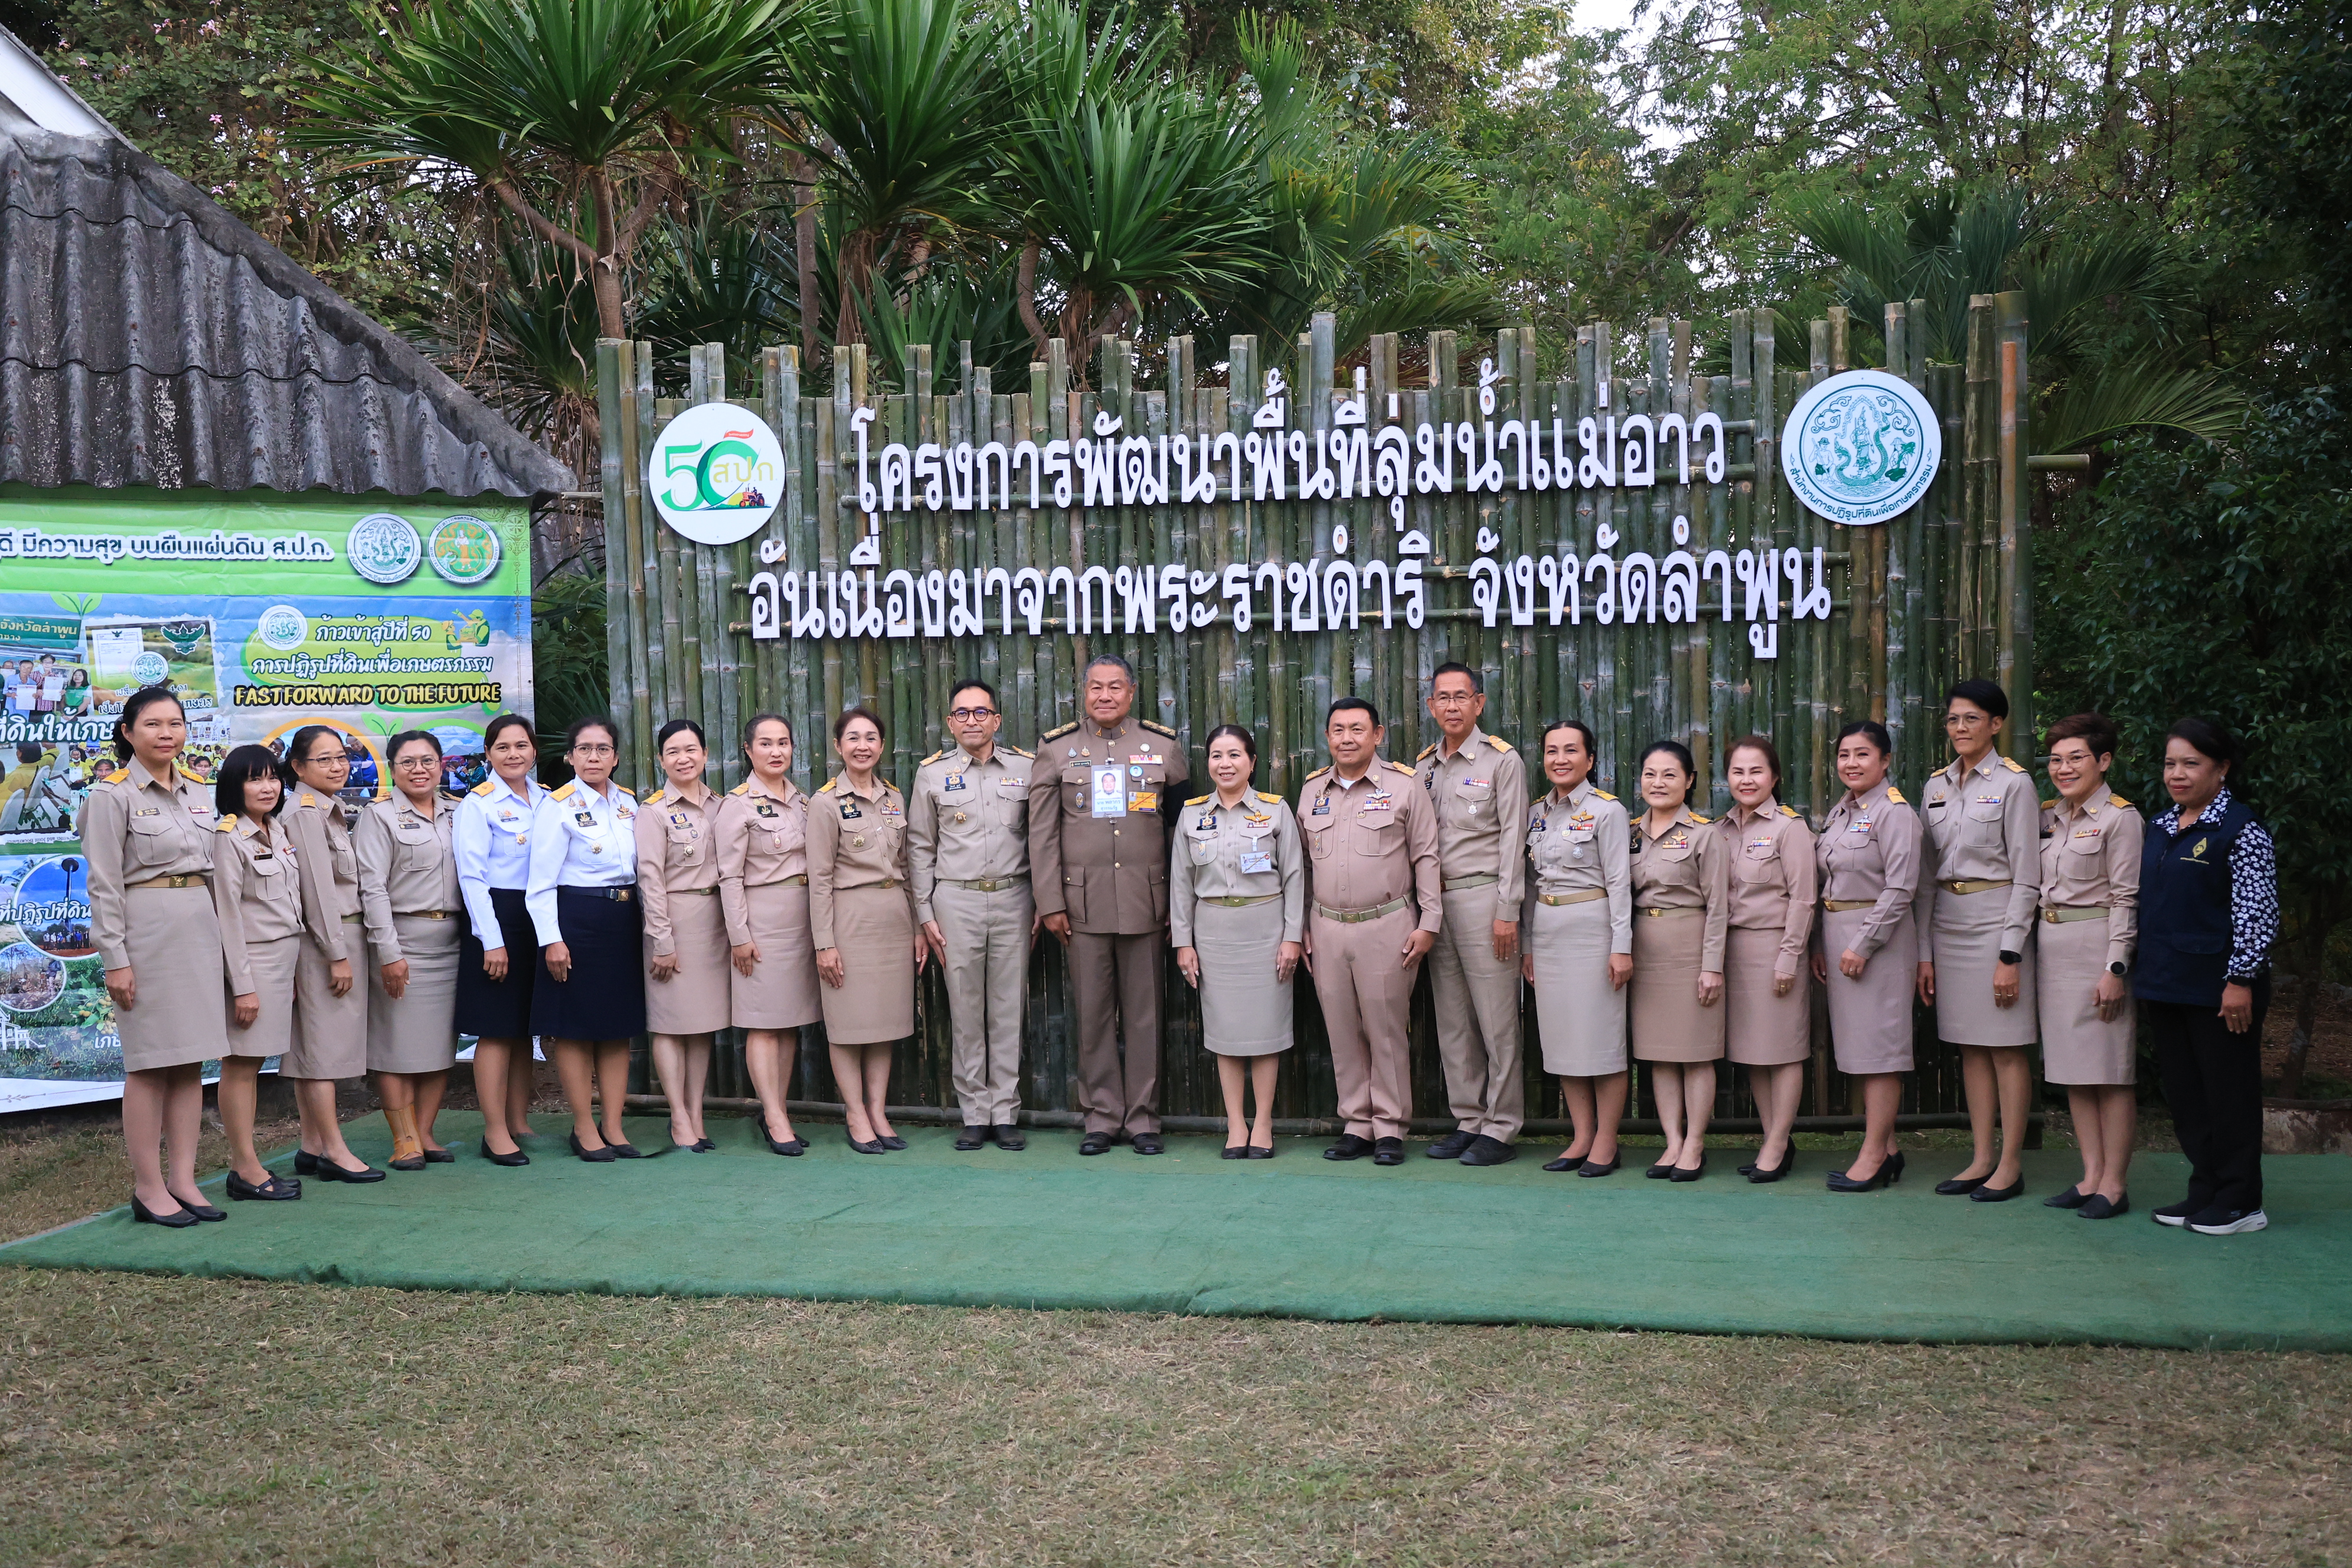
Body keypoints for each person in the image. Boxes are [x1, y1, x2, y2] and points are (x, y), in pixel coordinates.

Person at [79, 687, 233, 1226]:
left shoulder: (199, 792)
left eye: (176, 723)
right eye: (152, 724)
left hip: (197, 928)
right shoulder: (110, 796)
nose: (167, 733)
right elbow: (103, 886)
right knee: (149, 1065)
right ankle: (148, 1187)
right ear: (127, 732)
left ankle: (184, 1179)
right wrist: (115, 958)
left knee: (192, 1061)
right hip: (146, 937)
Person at [1028, 654, 1191, 1155]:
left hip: (1147, 902)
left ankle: (1143, 1119)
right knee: (1093, 1015)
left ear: (1132, 692)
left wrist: (1176, 907)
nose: (1105, 696)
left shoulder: (1164, 748)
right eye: (1096, 687)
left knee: (1145, 1016)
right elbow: (1041, 834)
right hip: (1081, 905)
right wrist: (1050, 900)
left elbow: (1182, 835)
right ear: (1084, 693)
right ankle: (1100, 1116)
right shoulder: (1057, 751)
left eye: (1115, 687)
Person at [2139, 718, 2278, 1236]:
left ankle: (2242, 1200)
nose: (2177, 774)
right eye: (2171, 763)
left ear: (2221, 769)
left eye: (2191, 764)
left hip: (2222, 991)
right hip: (2166, 982)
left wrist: (2241, 979)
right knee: (2188, 1097)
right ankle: (2205, 1191)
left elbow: (2257, 914)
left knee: (2229, 1094)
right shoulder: (2159, 826)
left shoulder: (2241, 830)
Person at [1298, 697, 1441, 1167]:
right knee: (1342, 1032)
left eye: (1357, 729)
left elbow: (1426, 856)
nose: (1347, 738)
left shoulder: (1404, 787)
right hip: (1327, 927)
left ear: (1377, 735)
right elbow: (1299, 866)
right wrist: (1301, 927)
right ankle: (1357, 1125)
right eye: (1338, 730)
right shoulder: (1312, 792)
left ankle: (1391, 1128)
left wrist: (1429, 922)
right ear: (1327, 738)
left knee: (1385, 1031)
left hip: (1388, 925)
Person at [1917, 679, 2044, 1203]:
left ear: (1996, 724)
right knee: (1971, 1046)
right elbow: (1926, 876)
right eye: (1953, 719)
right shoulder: (1935, 786)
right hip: (1948, 922)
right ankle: (1981, 1157)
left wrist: (2010, 954)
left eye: (1972, 719)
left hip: (1997, 923)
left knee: (2007, 1049)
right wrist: (1923, 952)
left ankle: (2011, 1164)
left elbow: (2028, 876)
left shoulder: (2016, 784)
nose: (1961, 728)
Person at [909, 679, 1035, 1152]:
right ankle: (974, 1114)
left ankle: (1005, 1112)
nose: (972, 721)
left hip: (1013, 898)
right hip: (956, 901)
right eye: (962, 713)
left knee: (1007, 1008)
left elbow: (1041, 839)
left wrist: (1044, 901)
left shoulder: (1025, 767)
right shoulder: (932, 774)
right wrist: (924, 912)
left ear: (996, 720)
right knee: (964, 1009)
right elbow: (919, 847)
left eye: (981, 713)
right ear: (950, 723)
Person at [1413, 662, 1530, 1166]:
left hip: (1486, 901)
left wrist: (1508, 911)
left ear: (1479, 704)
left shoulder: (1502, 762)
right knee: (1454, 1018)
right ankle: (1469, 1118)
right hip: (1438, 905)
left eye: (1463, 697)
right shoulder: (1423, 767)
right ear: (1431, 705)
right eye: (1444, 698)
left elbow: (1513, 840)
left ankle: (1502, 1125)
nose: (1453, 706)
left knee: (1497, 1019)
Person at [1172, 724, 1304, 1158]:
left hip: (1266, 931)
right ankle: (1235, 1125)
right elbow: (1180, 883)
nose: (1224, 764)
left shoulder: (1274, 810)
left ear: (1252, 762)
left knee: (1265, 1032)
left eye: (1234, 755)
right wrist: (1183, 942)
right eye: (1216, 756)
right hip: (1213, 933)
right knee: (1226, 1033)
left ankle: (1263, 1124)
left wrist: (1292, 938)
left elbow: (1295, 877)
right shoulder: (1192, 815)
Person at [2036, 713, 2144, 1220]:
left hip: (2096, 947)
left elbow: (2127, 898)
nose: (2063, 767)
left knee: (2110, 1072)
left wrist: (2115, 967)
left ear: (2104, 761)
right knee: (2075, 1072)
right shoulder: (2050, 816)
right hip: (2053, 948)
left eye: (2076, 757)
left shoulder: (2121, 818)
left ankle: (2115, 1185)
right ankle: (2090, 1175)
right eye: (2056, 759)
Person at [525, 716, 645, 1162]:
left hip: (623, 919)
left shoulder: (630, 804)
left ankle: (613, 1125)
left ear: (615, 756)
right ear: (570, 756)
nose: (594, 757)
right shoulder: (556, 807)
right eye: (585, 749)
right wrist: (551, 940)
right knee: (575, 1031)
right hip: (576, 921)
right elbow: (539, 884)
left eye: (603, 749)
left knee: (617, 1029)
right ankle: (582, 1126)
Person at [1814, 720, 1923, 1193]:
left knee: (1880, 1053)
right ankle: (1889, 1147)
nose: (1852, 763)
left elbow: (1901, 888)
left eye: (1862, 754)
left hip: (1878, 943)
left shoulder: (1895, 814)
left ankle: (1874, 1154)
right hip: (1839, 937)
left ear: (1885, 761)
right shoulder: (1841, 813)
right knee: (1860, 1050)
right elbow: (1829, 885)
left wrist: (1862, 943)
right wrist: (1824, 942)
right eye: (1844, 755)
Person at [808, 707, 924, 1152]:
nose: (863, 746)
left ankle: (878, 1111)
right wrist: (825, 944)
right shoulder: (824, 803)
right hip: (848, 919)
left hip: (893, 918)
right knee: (849, 1023)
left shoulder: (894, 798)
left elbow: (908, 869)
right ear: (838, 747)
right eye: (853, 738)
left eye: (871, 737)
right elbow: (818, 880)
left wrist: (916, 926)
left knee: (885, 1022)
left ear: (882, 746)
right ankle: (855, 1114)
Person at [1524, 720, 1633, 1175]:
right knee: (1565, 1038)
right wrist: (1529, 943)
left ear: (1590, 760)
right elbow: (1530, 885)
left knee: (1601, 1038)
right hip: (1548, 931)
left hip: (1593, 930)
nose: (1560, 759)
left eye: (1571, 751)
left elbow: (1620, 882)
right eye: (1552, 751)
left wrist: (1621, 946)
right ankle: (1581, 1135)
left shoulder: (1608, 811)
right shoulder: (1536, 813)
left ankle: (1607, 1140)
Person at [355, 731, 463, 1170]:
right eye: (407, 762)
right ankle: (404, 1140)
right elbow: (372, 888)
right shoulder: (377, 817)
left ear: (442, 765)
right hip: (403, 941)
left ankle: (427, 1132)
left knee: (440, 1046)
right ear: (392, 769)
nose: (419, 769)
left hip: (454, 943)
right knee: (397, 1047)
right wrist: (389, 953)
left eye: (427, 760)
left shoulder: (460, 813)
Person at [716, 714, 819, 1156]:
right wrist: (739, 935)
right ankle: (774, 1117)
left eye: (783, 743)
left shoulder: (804, 801)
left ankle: (778, 1109)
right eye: (766, 744)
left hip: (803, 919)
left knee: (790, 1020)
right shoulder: (737, 805)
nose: (776, 751)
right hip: (761, 921)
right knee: (763, 1022)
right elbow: (729, 876)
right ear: (748, 750)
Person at [281, 724, 380, 1184]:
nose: (337, 766)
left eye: (340, 757)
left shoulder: (329, 809)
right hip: (327, 941)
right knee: (321, 1049)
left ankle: (312, 1144)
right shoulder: (304, 813)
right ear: (298, 767)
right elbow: (317, 891)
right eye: (323, 759)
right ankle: (335, 1150)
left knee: (316, 1048)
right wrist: (336, 953)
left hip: (339, 938)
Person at [1626, 740, 1729, 1181]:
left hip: (1690, 948)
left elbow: (1720, 906)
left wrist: (1712, 965)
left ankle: (1696, 1143)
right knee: (1659, 1054)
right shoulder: (1628, 832)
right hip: (1644, 949)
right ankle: (1671, 1141)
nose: (1658, 782)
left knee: (1695, 1053)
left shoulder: (1706, 834)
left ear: (1689, 782)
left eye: (1670, 774)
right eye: (1650, 773)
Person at [1716, 735, 1815, 1184]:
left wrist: (1789, 957)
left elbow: (1803, 899)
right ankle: (1773, 1136)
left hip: (1776, 947)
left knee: (1784, 1050)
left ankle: (1777, 1142)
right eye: (1738, 771)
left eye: (1756, 771)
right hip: (1734, 951)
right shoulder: (1721, 829)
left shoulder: (1790, 828)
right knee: (1753, 1053)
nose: (1747, 779)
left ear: (1774, 776)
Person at [208, 744, 305, 1202]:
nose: (267, 787)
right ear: (234, 786)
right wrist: (242, 987)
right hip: (253, 962)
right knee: (242, 1064)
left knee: (254, 1063)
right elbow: (227, 915)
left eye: (272, 778)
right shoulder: (228, 836)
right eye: (254, 779)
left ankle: (246, 1164)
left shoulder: (276, 828)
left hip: (284, 958)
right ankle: (244, 1167)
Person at [454, 714, 548, 1165]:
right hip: (497, 919)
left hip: (539, 917)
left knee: (523, 1027)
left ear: (534, 751)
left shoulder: (549, 799)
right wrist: (491, 940)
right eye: (503, 747)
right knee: (495, 1028)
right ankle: (494, 1131)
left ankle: (518, 1119)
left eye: (522, 746)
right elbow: (472, 877)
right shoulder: (479, 803)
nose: (514, 754)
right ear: (489, 754)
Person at [636, 719, 730, 1154]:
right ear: (661, 760)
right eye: (673, 751)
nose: (683, 758)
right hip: (673, 921)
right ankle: (677, 1115)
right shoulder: (653, 811)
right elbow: (650, 879)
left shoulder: (722, 805)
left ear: (706, 754)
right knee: (672, 1025)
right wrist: (662, 939)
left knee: (702, 1025)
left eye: (691, 749)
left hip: (714, 922)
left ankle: (696, 1111)